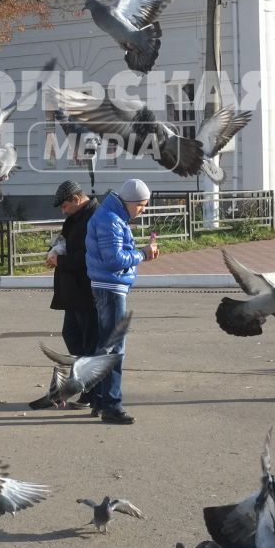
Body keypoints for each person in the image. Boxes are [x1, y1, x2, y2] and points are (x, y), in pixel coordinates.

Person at [83, 177, 158, 425]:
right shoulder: (111, 220)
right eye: (142, 205)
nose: (143, 210)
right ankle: (111, 406)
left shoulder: (111, 216)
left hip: (106, 287)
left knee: (106, 347)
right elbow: (114, 260)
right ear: (130, 201)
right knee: (115, 349)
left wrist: (141, 253)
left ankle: (99, 399)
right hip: (110, 288)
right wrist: (143, 254)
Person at [46, 180, 99, 371]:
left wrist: (60, 261)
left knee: (89, 342)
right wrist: (54, 252)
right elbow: (68, 243)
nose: (64, 211)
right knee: (71, 335)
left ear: (76, 199)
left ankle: (91, 387)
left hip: (87, 291)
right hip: (74, 292)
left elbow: (89, 255)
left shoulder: (94, 217)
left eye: (65, 206)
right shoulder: (77, 217)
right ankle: (84, 379)